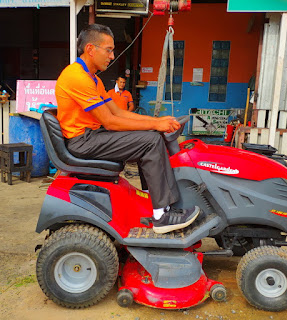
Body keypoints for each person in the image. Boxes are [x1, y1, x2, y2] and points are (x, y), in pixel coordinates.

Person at [55, 24, 200, 234]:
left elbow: (119, 112)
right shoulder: (76, 77)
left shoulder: (92, 78)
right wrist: (155, 124)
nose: (112, 56)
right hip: (83, 141)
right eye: (108, 50)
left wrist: (156, 121)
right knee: (150, 141)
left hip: (93, 136)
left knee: (151, 135)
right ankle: (161, 215)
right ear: (90, 49)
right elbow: (110, 122)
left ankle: (156, 202)